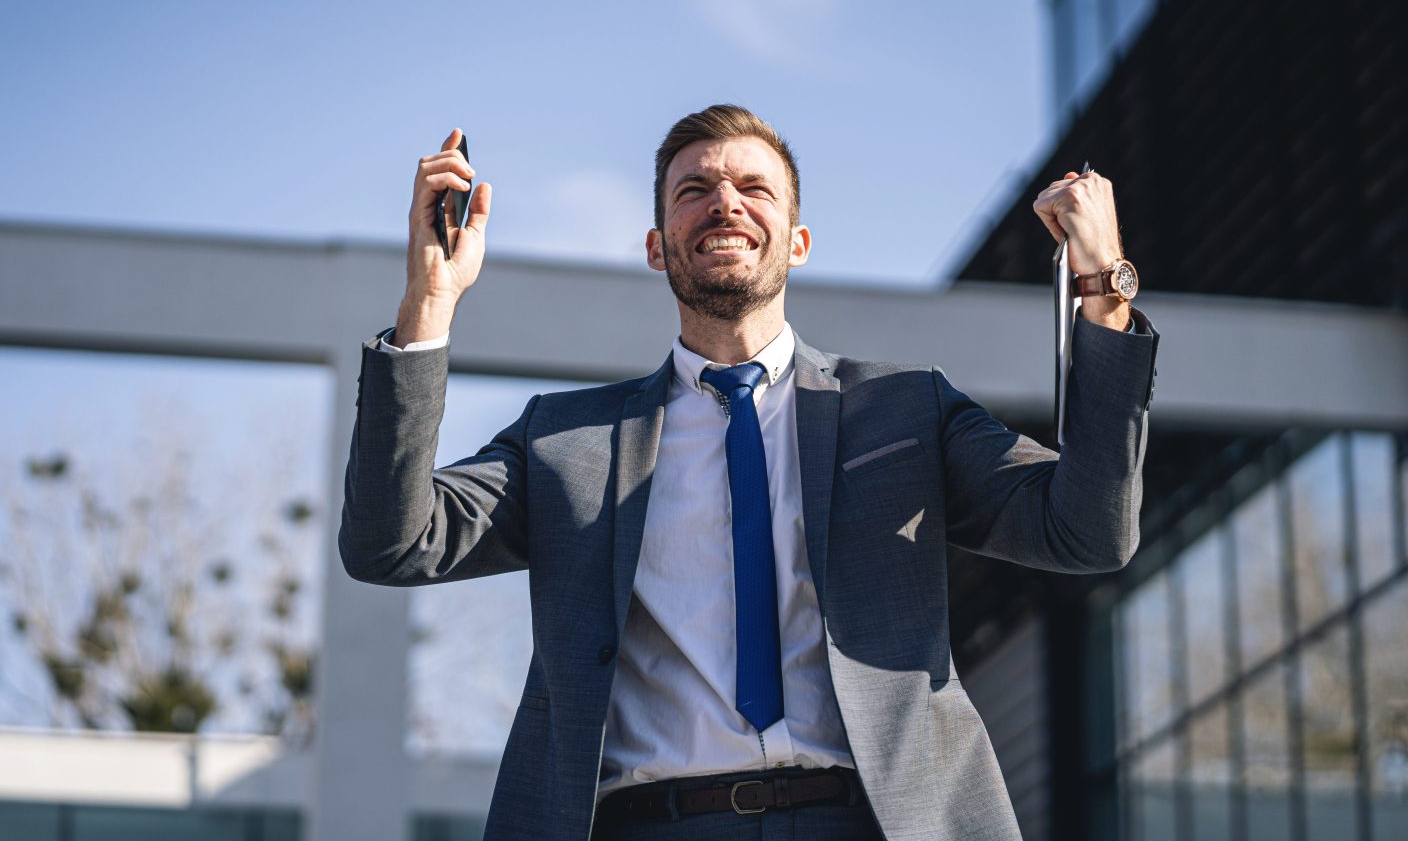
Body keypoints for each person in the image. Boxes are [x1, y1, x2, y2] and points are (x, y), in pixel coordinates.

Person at [340, 105, 1159, 840]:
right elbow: (392, 542)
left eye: (754, 188)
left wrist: (1103, 287)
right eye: (694, 189)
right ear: (657, 247)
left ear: (797, 242)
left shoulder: (906, 410)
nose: (725, 203)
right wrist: (429, 303)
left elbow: (1086, 532)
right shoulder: (566, 440)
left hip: (872, 820)